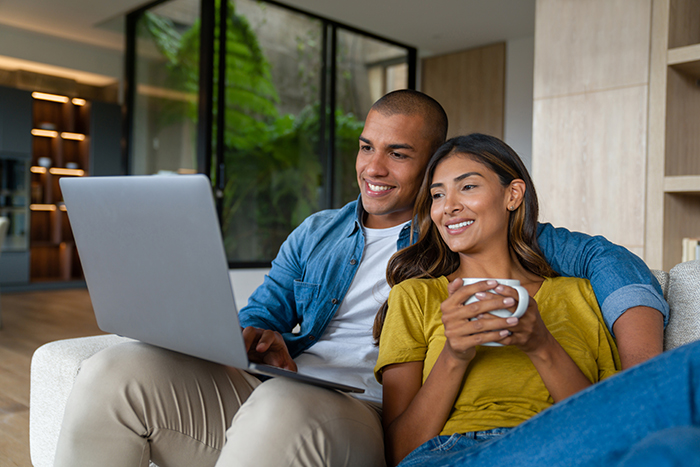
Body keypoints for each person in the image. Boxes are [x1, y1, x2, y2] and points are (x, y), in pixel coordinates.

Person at [54, 90, 667, 467]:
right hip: (289, 387)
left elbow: (600, 259)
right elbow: (263, 311)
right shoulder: (319, 231)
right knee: (115, 370)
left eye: (399, 154)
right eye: (366, 146)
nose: (373, 168)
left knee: (281, 409)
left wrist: (642, 373)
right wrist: (255, 337)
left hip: (363, 413)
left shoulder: (461, 232)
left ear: (437, 163)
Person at [374, 133, 699, 467]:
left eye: (467, 187)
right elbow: (400, 452)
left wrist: (541, 344)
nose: (449, 206)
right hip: (453, 455)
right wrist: (454, 355)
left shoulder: (580, 294)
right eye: (437, 195)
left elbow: (608, 419)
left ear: (513, 195)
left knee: (680, 445)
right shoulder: (415, 296)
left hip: (563, 448)